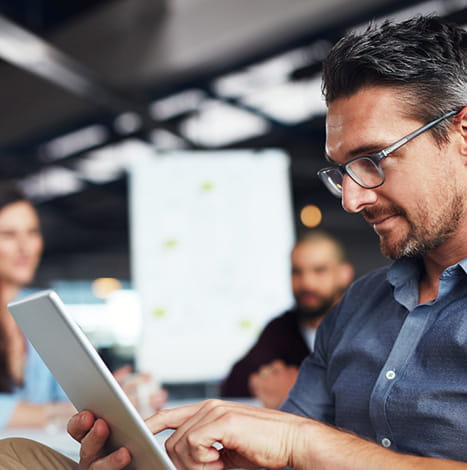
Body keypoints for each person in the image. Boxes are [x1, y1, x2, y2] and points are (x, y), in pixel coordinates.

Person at [1, 14, 466, 469]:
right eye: (343, 170)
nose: (351, 199)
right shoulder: (358, 307)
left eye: (373, 159)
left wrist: (302, 443)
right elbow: (282, 452)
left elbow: (295, 441)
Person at [220, 229, 353, 409]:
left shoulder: (365, 326)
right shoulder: (281, 327)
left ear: (344, 274)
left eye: (319, 270)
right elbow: (235, 386)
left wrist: (298, 390)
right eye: (297, 272)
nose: (307, 283)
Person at [0, 182, 75, 429]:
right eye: (8, 235)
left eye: (32, 232)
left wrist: (117, 393)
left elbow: (71, 395)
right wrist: (59, 414)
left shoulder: (45, 311)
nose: (25, 247)